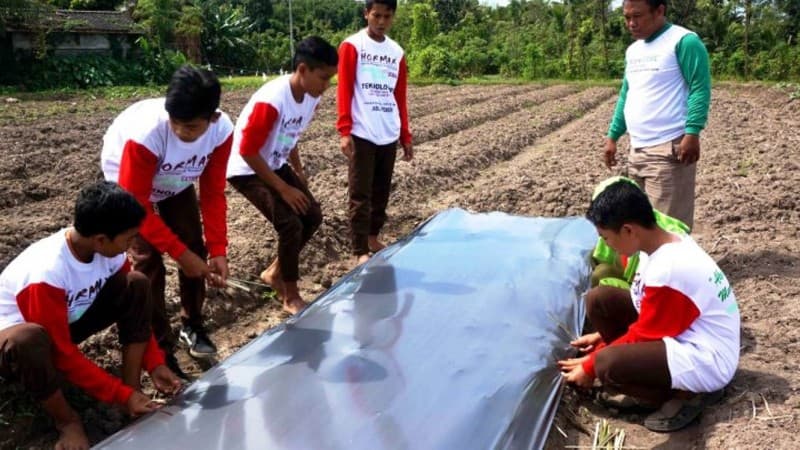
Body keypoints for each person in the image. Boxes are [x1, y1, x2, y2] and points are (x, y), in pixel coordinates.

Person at [0, 181, 182, 450]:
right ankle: (67, 422)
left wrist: (154, 362)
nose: (132, 244)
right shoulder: (46, 273)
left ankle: (132, 389)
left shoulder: (109, 252)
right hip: (16, 345)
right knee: (29, 339)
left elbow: (132, 304)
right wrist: (117, 396)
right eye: (129, 238)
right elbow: (61, 352)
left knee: (136, 283)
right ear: (100, 239)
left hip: (62, 323)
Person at [559, 180, 740, 432]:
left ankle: (687, 394)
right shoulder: (656, 246)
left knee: (607, 365)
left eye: (607, 238)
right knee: (600, 300)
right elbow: (646, 313)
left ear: (628, 230)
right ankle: (646, 378)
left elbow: (644, 334)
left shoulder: (671, 269)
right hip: (684, 330)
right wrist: (601, 338)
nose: (607, 245)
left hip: (708, 358)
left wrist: (591, 364)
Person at [101, 65, 234, 374]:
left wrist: (218, 250)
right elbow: (137, 206)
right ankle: (161, 350)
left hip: (176, 179)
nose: (178, 131)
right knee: (148, 260)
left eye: (189, 127)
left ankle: (192, 324)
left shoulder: (221, 131)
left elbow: (213, 193)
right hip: (130, 182)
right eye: (174, 122)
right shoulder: (146, 135)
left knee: (193, 243)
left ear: (211, 118)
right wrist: (181, 256)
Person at [226, 36, 338, 314]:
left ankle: (275, 273)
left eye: (330, 79)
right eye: (323, 78)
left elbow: (292, 133)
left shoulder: (311, 96)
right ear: (302, 70)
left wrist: (297, 171)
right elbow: (248, 151)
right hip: (246, 168)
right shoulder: (272, 100)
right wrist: (283, 188)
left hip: (274, 162)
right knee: (290, 224)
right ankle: (290, 295)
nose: (327, 86)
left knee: (312, 215)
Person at [603, 0, 711, 230]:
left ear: (659, 11)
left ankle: (677, 267)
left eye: (638, 16)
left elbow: (699, 87)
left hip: (668, 150)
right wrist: (613, 136)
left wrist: (692, 132)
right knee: (642, 227)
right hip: (637, 150)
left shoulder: (683, 42)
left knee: (669, 229)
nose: (631, 23)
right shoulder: (633, 51)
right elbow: (626, 94)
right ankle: (647, 267)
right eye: (626, 17)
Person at [337, 0, 413, 265]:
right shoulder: (352, 46)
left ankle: (372, 236)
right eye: (376, 15)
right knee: (360, 193)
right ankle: (359, 250)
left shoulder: (397, 52)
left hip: (388, 130)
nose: (381, 21)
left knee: (381, 190)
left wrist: (405, 135)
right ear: (366, 14)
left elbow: (399, 97)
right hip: (361, 130)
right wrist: (344, 130)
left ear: (393, 17)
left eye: (387, 16)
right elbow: (344, 89)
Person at [590, 176, 689, 289]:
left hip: (650, 294)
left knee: (600, 291)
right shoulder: (642, 230)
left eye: (605, 237)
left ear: (627, 230)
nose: (605, 243)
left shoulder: (663, 262)